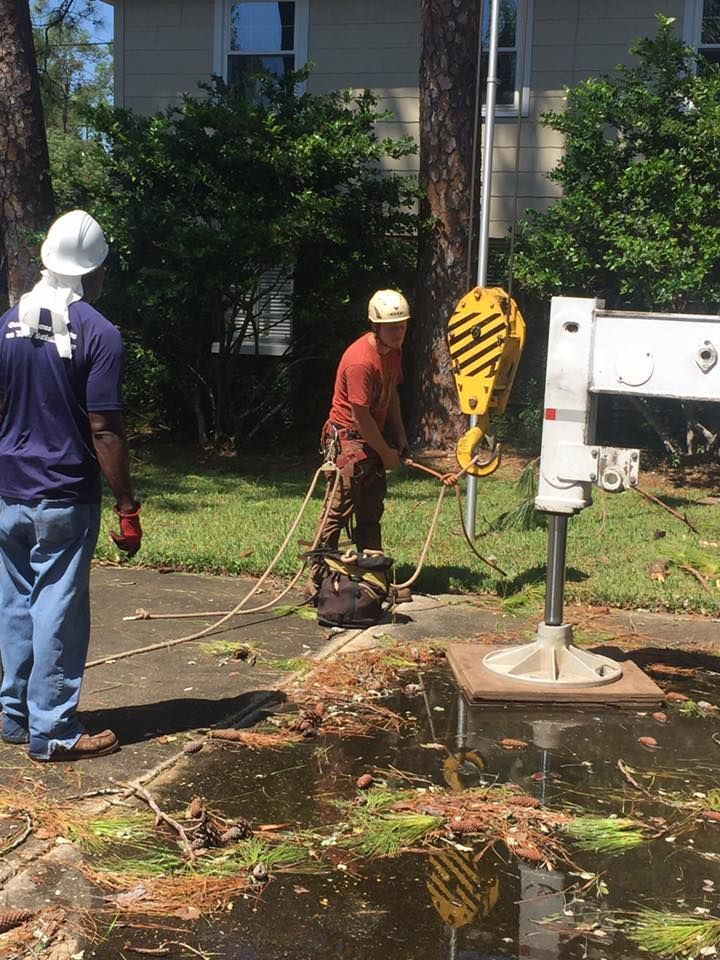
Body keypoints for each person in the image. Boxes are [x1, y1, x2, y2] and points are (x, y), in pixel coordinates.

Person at [0, 209, 142, 762]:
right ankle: (55, 730)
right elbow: (103, 428)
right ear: (93, 271)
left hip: (9, 490)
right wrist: (126, 504)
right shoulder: (99, 333)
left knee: (16, 603)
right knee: (57, 609)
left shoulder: (7, 325)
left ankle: (15, 716)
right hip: (63, 494)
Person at [311, 289, 411, 593]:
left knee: (371, 508)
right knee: (338, 510)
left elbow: (391, 394)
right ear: (376, 327)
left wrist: (400, 437)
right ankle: (316, 580)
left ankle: (373, 578)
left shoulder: (393, 352)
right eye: (392, 327)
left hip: (370, 438)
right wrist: (386, 453)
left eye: (403, 326)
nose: (399, 333)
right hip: (348, 440)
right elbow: (361, 418)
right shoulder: (360, 362)